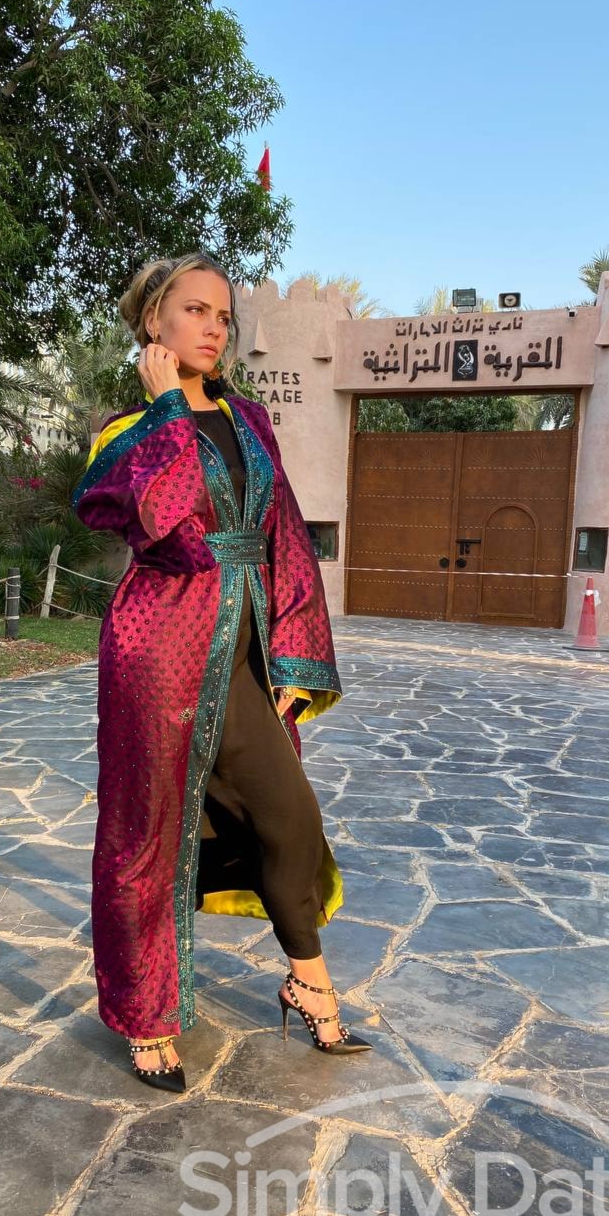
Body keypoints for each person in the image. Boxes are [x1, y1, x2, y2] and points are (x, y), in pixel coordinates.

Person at [73, 252, 370, 1093]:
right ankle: (146, 1017)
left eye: (223, 316)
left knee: (291, 822)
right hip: (158, 649)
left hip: (242, 656)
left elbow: (285, 531)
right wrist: (169, 406)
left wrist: (295, 652)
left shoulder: (251, 421)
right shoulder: (124, 435)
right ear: (154, 322)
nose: (214, 328)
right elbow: (160, 525)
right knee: (146, 835)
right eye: (195, 311)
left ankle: (304, 982)